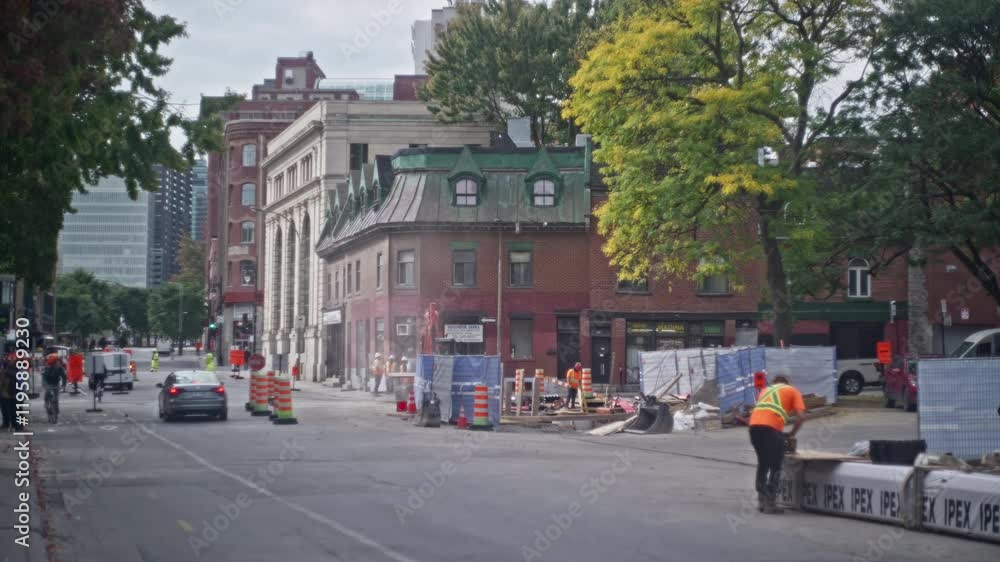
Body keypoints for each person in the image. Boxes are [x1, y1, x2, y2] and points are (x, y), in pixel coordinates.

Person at [748, 373, 806, 514]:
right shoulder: (792, 391)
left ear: (774, 383)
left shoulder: (765, 390)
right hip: (771, 429)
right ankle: (770, 502)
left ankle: (762, 499)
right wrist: (792, 434)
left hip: (754, 427)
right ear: (788, 383)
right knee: (776, 465)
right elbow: (801, 417)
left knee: (763, 463)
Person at [42, 354, 66, 422]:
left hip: (56, 383)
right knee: (47, 396)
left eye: (59, 361)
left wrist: (63, 385)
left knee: (56, 399)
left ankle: (56, 412)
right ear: (53, 362)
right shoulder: (47, 368)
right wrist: (46, 386)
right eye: (57, 361)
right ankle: (47, 407)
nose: (58, 363)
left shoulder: (60, 368)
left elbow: (64, 376)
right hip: (48, 383)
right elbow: (44, 378)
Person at [0, 357, 18, 431]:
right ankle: (15, 425)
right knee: (13, 411)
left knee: (6, 411)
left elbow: (1, 384)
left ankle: (6, 424)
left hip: (5, 395)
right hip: (14, 395)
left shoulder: (3, 373)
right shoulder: (15, 372)